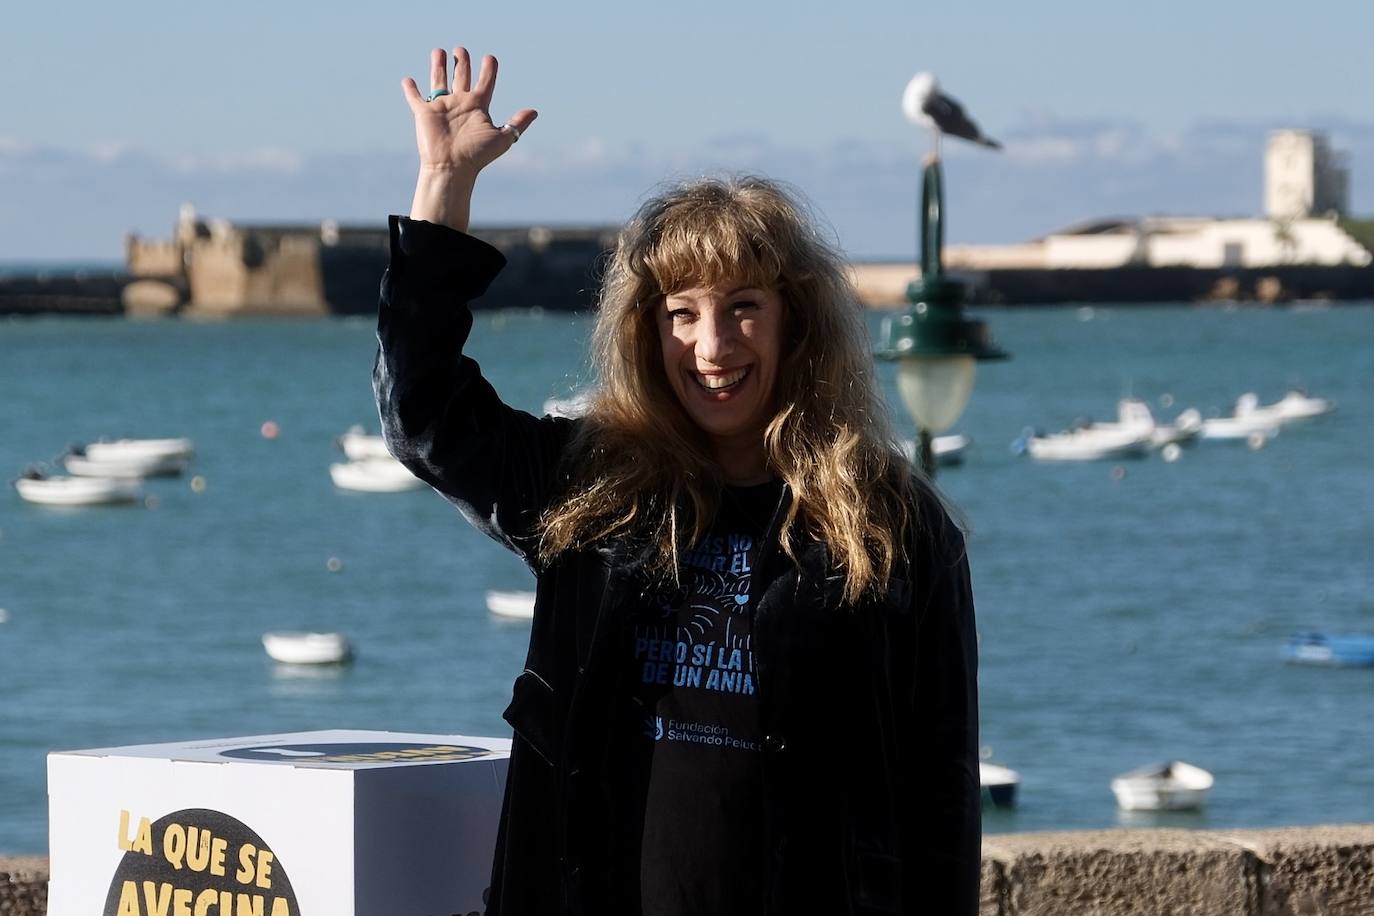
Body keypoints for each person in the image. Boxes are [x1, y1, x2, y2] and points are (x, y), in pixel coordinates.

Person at [375, 45, 980, 916]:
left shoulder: (892, 526)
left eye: (743, 308)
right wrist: (445, 188)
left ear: (794, 324)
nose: (713, 347)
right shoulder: (588, 490)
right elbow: (422, 414)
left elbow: (941, 797)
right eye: (681, 314)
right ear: (645, 334)